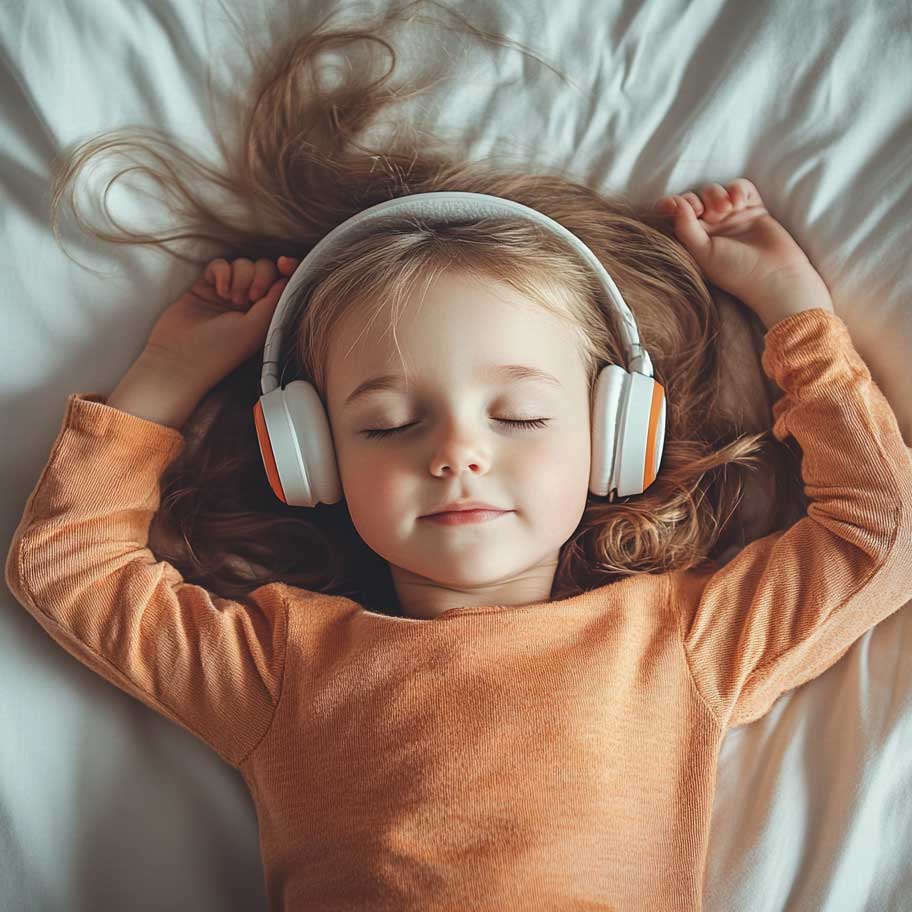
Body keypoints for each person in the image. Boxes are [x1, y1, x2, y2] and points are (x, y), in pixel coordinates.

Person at [5, 2, 911, 908]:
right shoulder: (282, 665)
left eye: (518, 416)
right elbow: (72, 567)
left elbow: (881, 531)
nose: (457, 455)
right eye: (391, 423)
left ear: (615, 434)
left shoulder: (675, 646)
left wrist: (796, 315)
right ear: (309, 456)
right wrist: (168, 375)